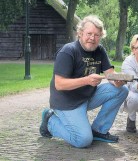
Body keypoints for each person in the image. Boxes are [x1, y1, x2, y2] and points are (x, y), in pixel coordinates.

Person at [39, 15, 128, 148]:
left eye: (97, 35)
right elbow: (59, 84)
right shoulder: (68, 51)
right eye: (89, 34)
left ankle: (99, 130)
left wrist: (118, 81)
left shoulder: (100, 50)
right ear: (80, 33)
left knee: (121, 90)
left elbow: (110, 74)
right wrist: (86, 80)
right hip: (67, 102)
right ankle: (50, 121)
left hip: (87, 97)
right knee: (83, 140)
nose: (92, 38)